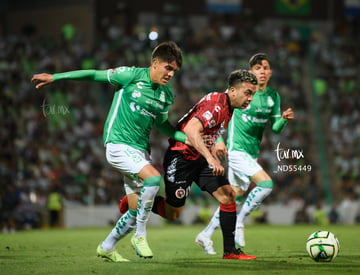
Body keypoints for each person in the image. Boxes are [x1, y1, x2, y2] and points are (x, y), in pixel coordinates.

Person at [31, 41, 188, 262]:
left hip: (140, 151)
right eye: (168, 68)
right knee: (153, 179)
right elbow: (94, 74)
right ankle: (140, 236)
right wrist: (56, 77)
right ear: (155, 63)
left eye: (174, 71)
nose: (171, 74)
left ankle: (107, 246)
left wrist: (187, 137)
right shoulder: (130, 75)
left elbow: (162, 124)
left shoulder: (166, 95)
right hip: (118, 145)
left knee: (134, 210)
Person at [151, 69, 258, 260]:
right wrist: (210, 158)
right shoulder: (217, 106)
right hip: (181, 157)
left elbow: (211, 128)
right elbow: (192, 130)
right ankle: (139, 200)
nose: (250, 98)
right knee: (173, 213)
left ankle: (230, 251)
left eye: (253, 94)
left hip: (199, 158)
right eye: (248, 93)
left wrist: (218, 141)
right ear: (233, 90)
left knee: (228, 195)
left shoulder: (228, 106)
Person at [195, 53, 294, 254]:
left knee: (232, 197)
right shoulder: (239, 91)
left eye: (265, 68)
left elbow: (275, 128)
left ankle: (205, 235)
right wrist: (219, 140)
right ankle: (240, 222)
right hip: (236, 150)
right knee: (266, 184)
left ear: (270, 72)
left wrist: (283, 119)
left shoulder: (273, 96)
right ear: (251, 72)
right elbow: (217, 115)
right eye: (258, 68)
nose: (262, 71)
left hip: (251, 153)